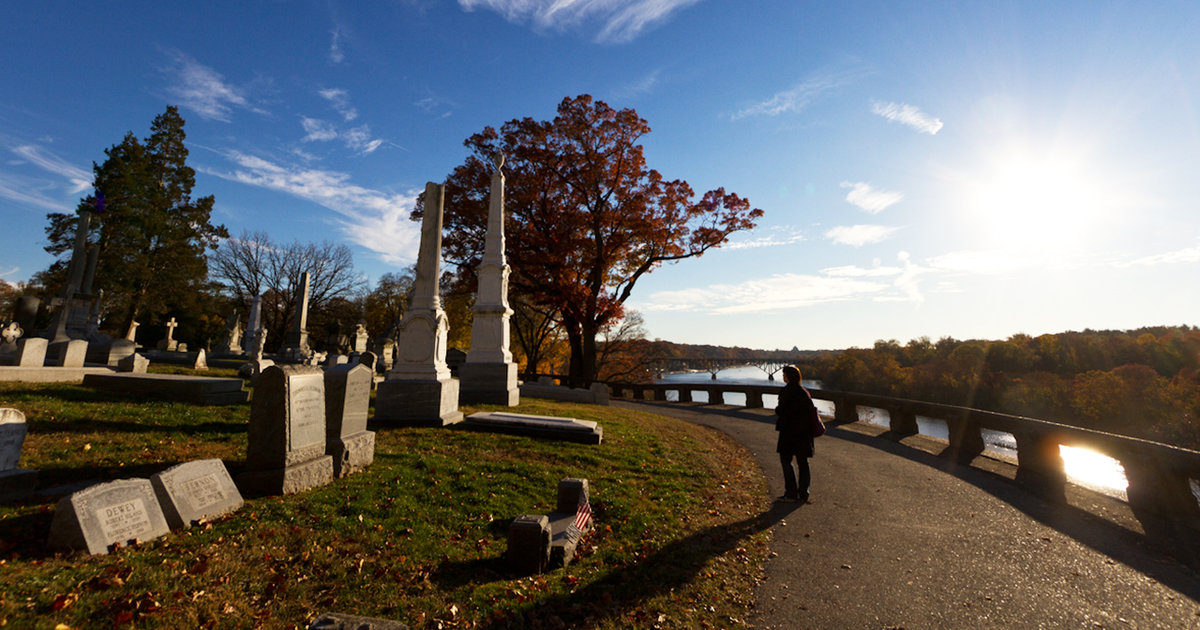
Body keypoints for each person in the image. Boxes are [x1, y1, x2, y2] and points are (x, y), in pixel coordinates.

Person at [775, 365, 817, 502]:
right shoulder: (804, 392)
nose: (783, 376)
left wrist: (778, 410)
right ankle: (804, 493)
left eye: (784, 374)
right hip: (804, 433)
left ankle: (791, 492)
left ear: (789, 376)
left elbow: (781, 411)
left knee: (786, 461)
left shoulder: (786, 392)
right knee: (803, 462)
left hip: (789, 432)